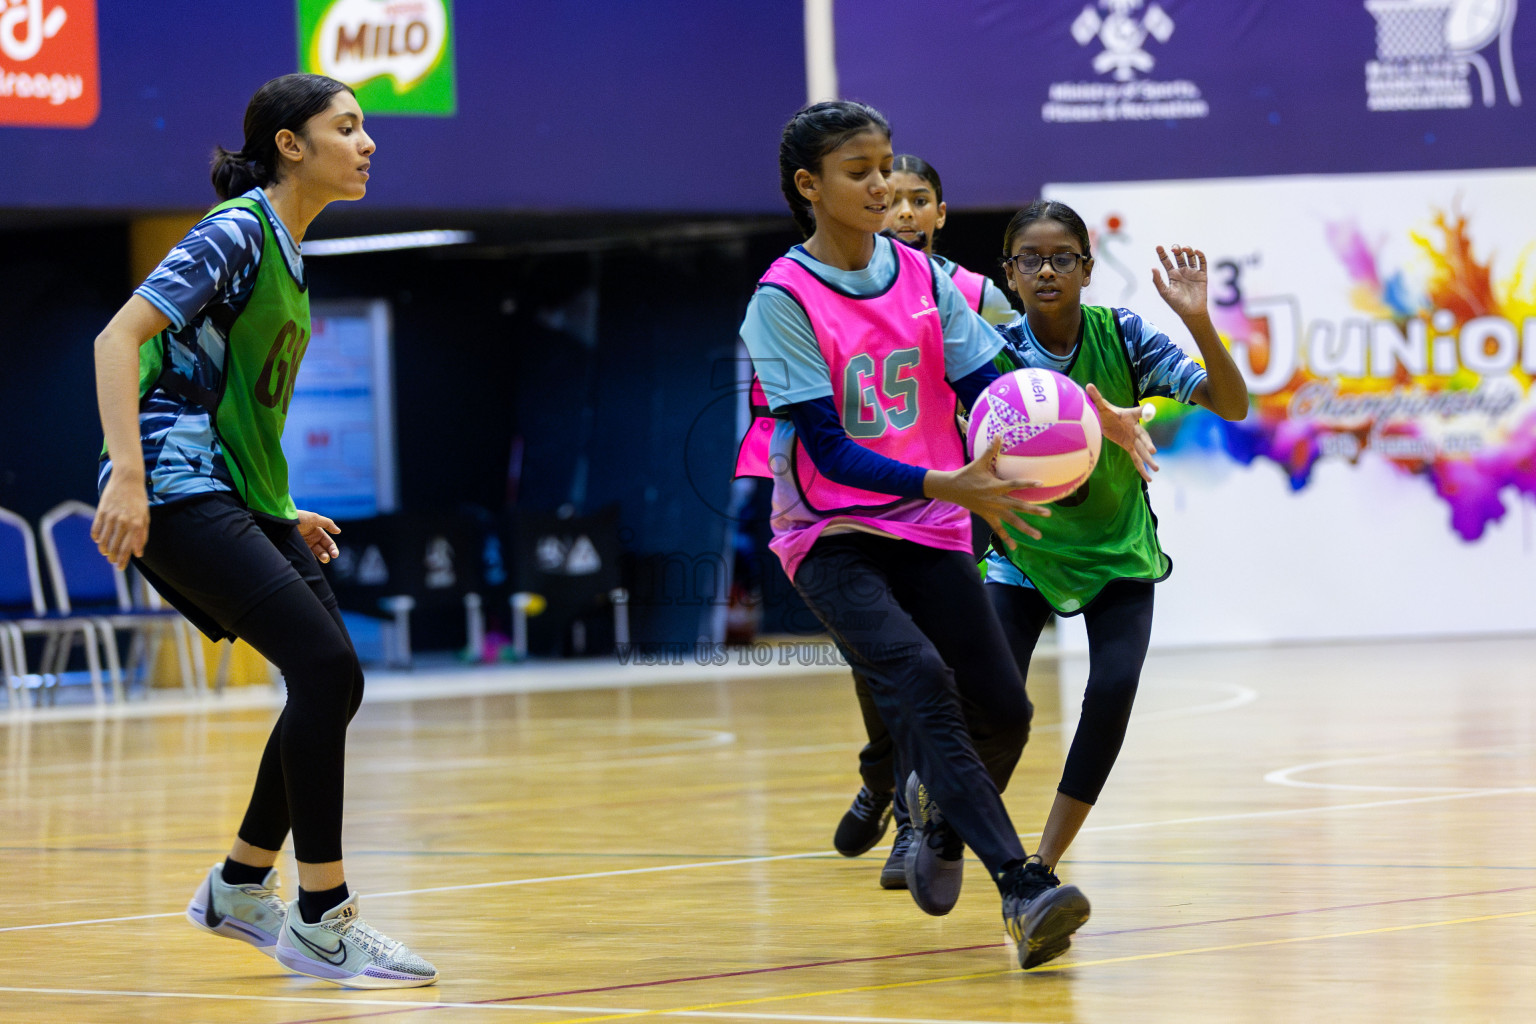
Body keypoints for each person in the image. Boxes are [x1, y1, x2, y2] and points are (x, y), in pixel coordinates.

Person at [739, 101, 1151, 968]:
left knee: (1005, 712)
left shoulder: (921, 278)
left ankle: (929, 813)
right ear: (810, 187)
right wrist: (947, 482)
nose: (883, 184)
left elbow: (996, 370)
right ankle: (1023, 887)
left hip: (926, 524)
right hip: (830, 534)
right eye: (861, 171)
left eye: (886, 165)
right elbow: (825, 448)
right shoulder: (781, 300)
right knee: (922, 675)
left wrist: (1092, 412)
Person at [90, 74, 437, 989]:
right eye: (348, 127)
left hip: (234, 490)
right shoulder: (237, 229)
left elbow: (239, 403)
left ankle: (242, 885)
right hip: (170, 484)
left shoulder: (285, 248)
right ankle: (321, 918)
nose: (367, 144)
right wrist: (128, 477)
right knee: (322, 671)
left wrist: (281, 508)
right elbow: (117, 339)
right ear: (291, 143)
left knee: (336, 679)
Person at [984, 199, 1248, 920]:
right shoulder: (991, 353)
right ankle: (943, 819)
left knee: (1113, 692)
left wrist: (1197, 320)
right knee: (995, 708)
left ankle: (1037, 872)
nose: (1046, 270)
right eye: (1029, 259)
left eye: (1061, 257)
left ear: (1088, 268)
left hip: (1118, 552)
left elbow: (1233, 402)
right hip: (1024, 554)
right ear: (1008, 274)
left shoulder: (1123, 335)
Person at [834, 154, 1021, 885]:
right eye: (896, 199)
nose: (906, 210)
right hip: (868, 500)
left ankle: (912, 821)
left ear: (942, 214)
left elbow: (1027, 380)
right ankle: (882, 775)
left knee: (935, 669)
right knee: (878, 663)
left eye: (922, 200)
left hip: (954, 500)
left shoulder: (974, 295)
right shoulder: (842, 290)